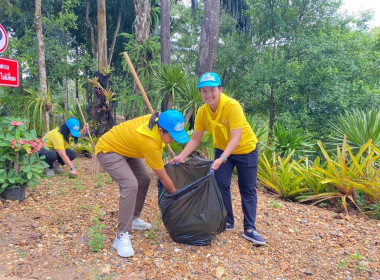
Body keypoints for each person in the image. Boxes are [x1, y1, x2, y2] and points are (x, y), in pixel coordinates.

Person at [170, 72, 266, 245]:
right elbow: (195, 138)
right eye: (204, 91)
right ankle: (227, 220)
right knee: (221, 184)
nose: (208, 95)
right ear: (200, 93)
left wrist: (221, 158)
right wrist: (181, 156)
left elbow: (236, 138)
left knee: (248, 189)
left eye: (212, 90)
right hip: (222, 148)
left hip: (246, 149)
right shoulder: (202, 111)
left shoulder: (232, 106)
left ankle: (250, 228)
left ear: (220, 89)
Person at [95, 110, 189, 258]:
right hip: (108, 150)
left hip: (128, 148)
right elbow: (164, 178)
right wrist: (179, 199)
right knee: (130, 184)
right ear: (160, 131)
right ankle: (121, 236)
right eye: (171, 136)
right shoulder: (149, 142)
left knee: (144, 179)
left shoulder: (158, 119)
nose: (173, 140)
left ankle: (133, 219)